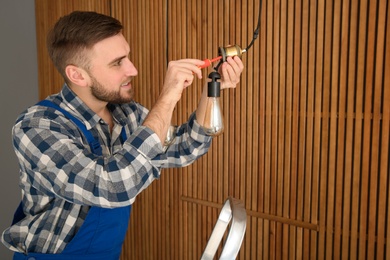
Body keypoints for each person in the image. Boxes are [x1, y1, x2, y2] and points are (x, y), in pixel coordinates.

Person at [1, 11, 244, 259]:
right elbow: (113, 187)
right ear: (77, 75)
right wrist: (169, 96)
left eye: (127, 56)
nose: (133, 69)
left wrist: (211, 91)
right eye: (117, 62)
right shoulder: (38, 127)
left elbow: (185, 148)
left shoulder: (127, 115)